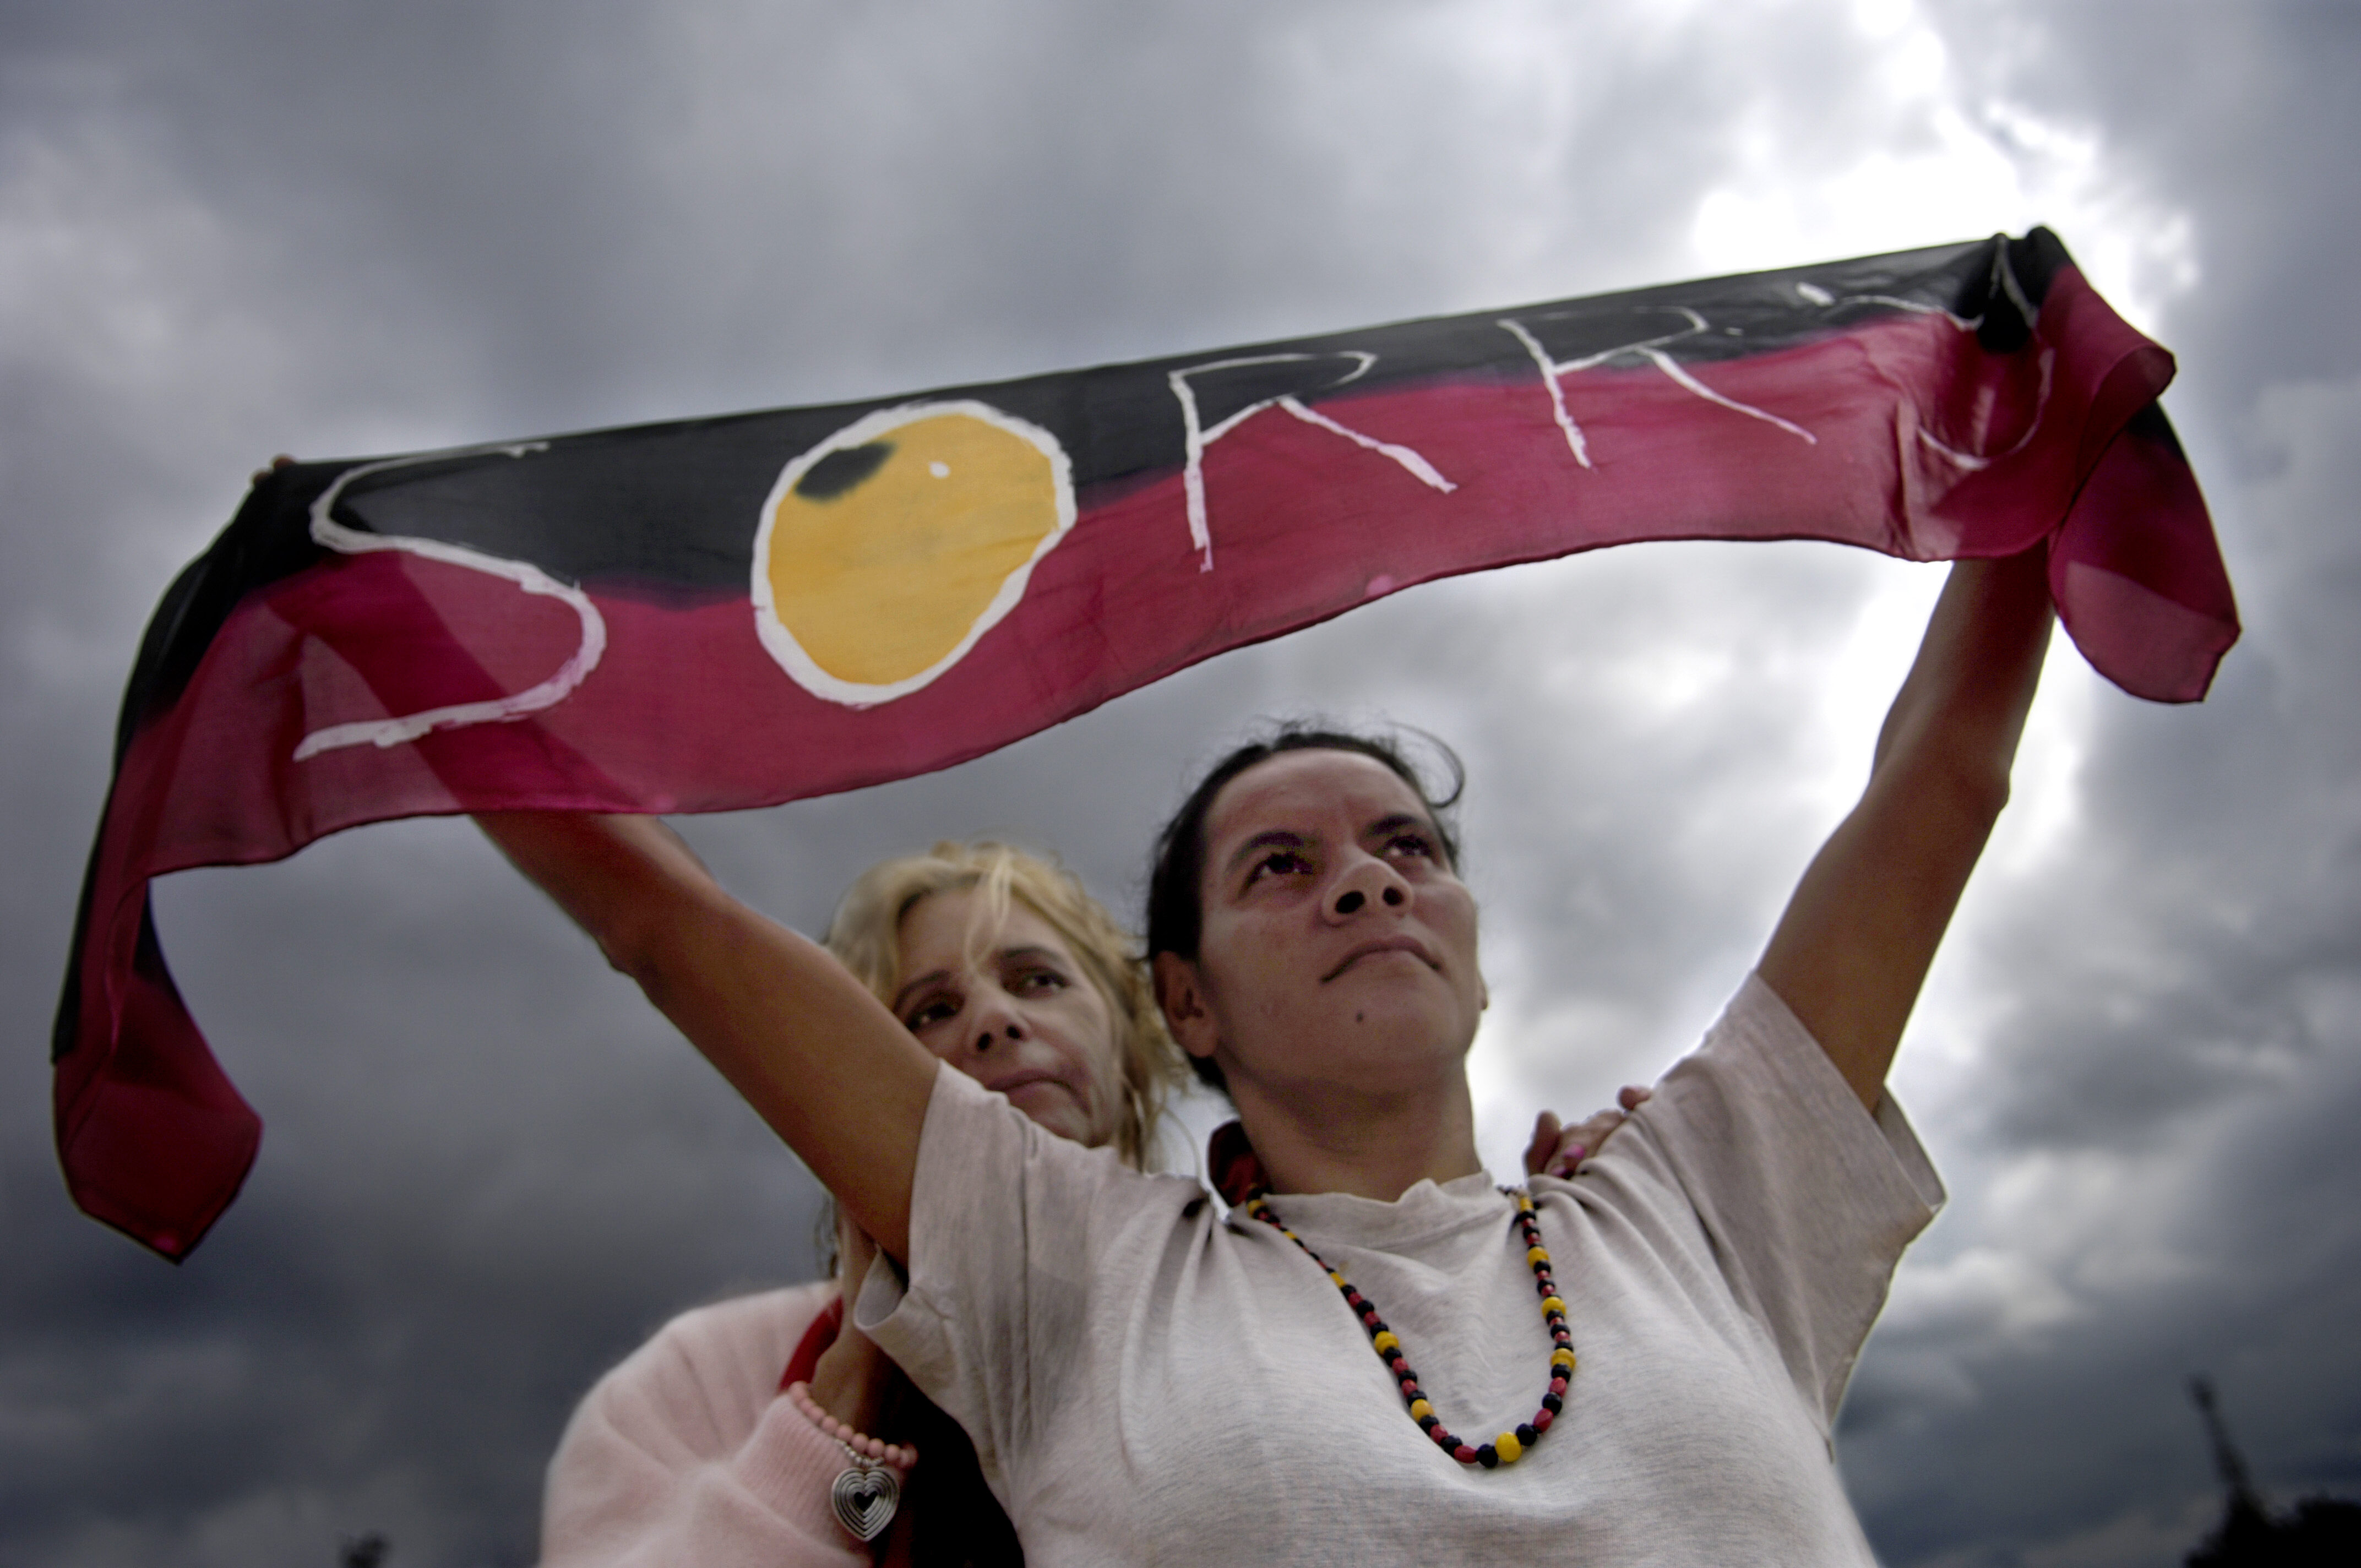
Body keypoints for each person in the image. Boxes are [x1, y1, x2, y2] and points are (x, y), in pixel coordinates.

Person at [482, 541, 2053, 1562]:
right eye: (1279, 869)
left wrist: (2040, 480)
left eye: (1407, 848)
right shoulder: (1072, 1277)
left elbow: (1944, 784)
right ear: (1190, 1005)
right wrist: (418, 658)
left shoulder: (1702, 1204)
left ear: (1479, 948)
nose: (1367, 880)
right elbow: (663, 924)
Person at [534, 840, 1642, 1566]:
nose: (990, 1023)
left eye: (1035, 980)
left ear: (1133, 1040)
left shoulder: (1299, 1305)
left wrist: (1555, 1258)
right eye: (925, 1009)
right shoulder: (703, 1380)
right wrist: (845, 1415)